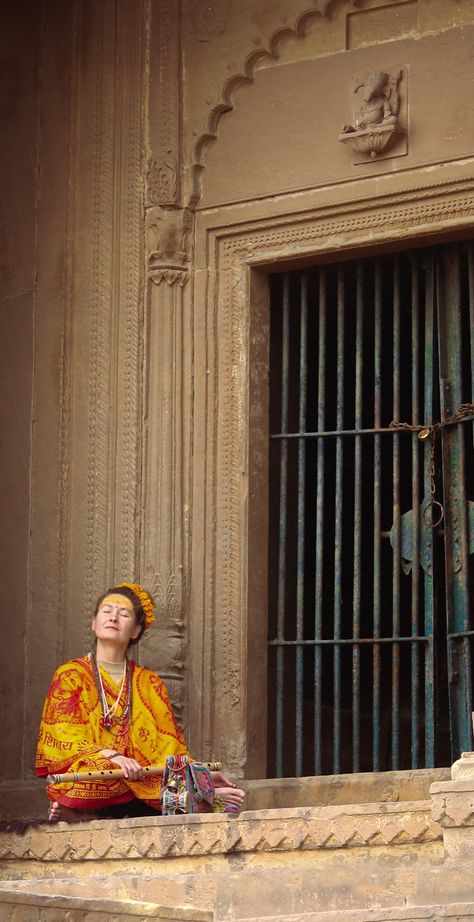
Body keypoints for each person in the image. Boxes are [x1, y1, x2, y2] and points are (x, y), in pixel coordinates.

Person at [36, 581, 245, 822]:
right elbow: (62, 735)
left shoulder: (150, 682)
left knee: (176, 780)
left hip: (142, 775)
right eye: (106, 611)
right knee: (89, 777)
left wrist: (199, 774)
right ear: (94, 623)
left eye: (123, 614)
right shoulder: (70, 674)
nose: (113, 617)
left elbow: (168, 744)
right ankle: (81, 808)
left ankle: (84, 813)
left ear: (135, 631)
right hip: (97, 772)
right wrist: (111, 757)